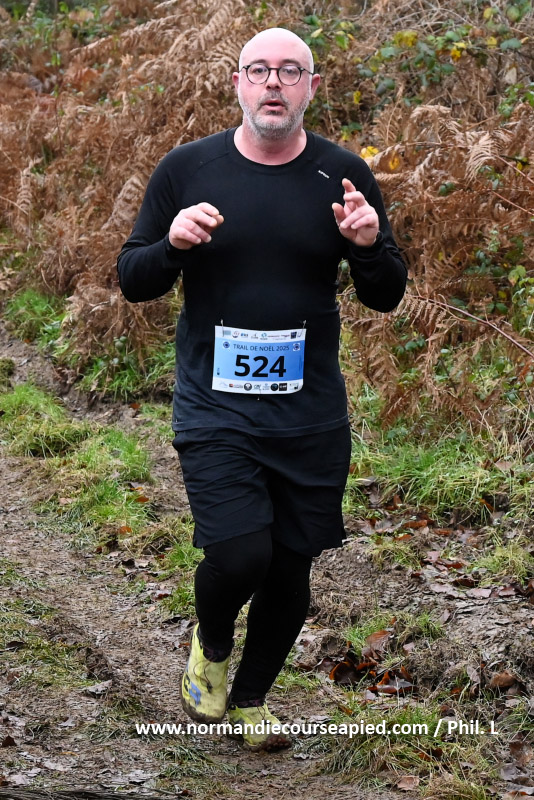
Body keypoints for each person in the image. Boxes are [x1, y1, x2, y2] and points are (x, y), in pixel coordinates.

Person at [117, 27, 407, 752]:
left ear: (312, 87)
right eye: (258, 70)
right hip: (214, 403)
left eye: (289, 71)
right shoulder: (188, 169)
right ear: (238, 84)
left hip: (309, 413)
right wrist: (171, 244)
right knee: (242, 553)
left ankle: (250, 700)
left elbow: (387, 294)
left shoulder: (342, 174)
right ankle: (211, 645)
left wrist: (368, 246)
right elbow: (133, 279)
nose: (273, 83)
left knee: (289, 567)